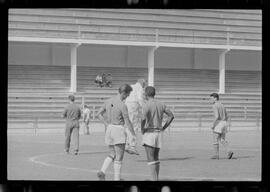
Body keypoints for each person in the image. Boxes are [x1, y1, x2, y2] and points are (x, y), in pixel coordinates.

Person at [96, 84, 136, 180]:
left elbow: (98, 114)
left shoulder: (108, 101)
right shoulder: (122, 105)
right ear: (123, 92)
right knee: (119, 157)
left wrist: (106, 124)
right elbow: (127, 121)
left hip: (109, 128)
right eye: (128, 94)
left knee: (112, 153)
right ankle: (117, 179)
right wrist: (133, 134)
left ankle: (102, 171)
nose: (128, 96)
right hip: (118, 129)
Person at [141, 86, 174, 181]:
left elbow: (143, 118)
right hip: (159, 132)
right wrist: (164, 127)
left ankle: (153, 179)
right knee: (156, 156)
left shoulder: (146, 104)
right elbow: (171, 116)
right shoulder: (161, 103)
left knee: (150, 157)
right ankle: (156, 178)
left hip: (150, 132)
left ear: (146, 94)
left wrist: (142, 128)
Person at [125, 78, 146, 155]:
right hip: (134, 106)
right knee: (134, 126)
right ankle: (132, 146)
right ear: (142, 83)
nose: (144, 85)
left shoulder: (131, 86)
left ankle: (127, 144)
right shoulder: (139, 88)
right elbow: (140, 99)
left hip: (127, 105)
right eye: (144, 83)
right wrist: (144, 108)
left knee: (127, 125)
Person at [209, 93, 234, 160]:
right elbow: (227, 116)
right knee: (222, 139)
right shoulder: (222, 105)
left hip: (219, 123)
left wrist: (213, 125)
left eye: (211, 98)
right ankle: (229, 151)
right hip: (224, 122)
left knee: (215, 140)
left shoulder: (215, 105)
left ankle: (216, 155)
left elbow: (216, 116)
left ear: (215, 98)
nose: (210, 100)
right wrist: (225, 123)